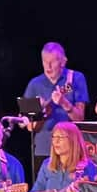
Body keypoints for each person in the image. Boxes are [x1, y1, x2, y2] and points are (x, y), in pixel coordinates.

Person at [23, 42, 89, 172]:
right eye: (45, 61)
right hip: (43, 148)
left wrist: (64, 103)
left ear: (63, 62)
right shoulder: (34, 84)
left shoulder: (75, 78)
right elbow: (29, 126)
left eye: (52, 62)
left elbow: (80, 117)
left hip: (71, 148)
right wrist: (39, 113)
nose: (48, 66)